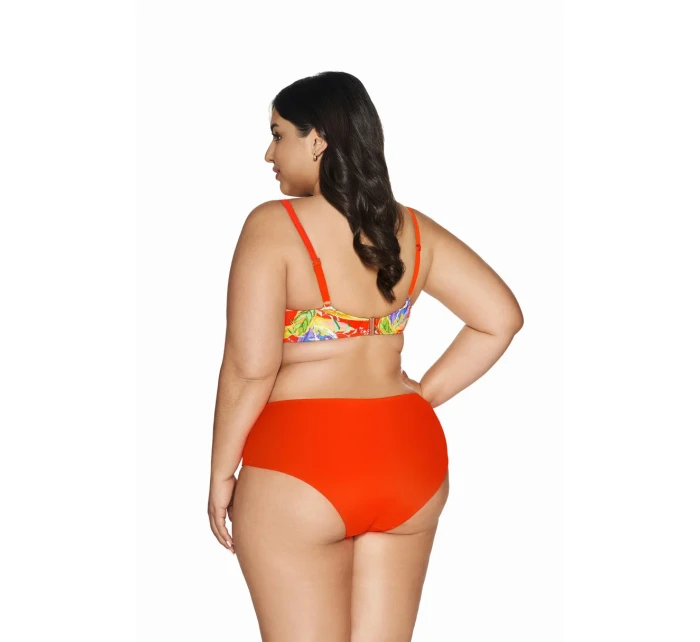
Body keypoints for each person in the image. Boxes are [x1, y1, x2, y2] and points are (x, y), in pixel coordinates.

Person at [208, 71, 523, 641]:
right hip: (408, 459)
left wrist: (220, 472)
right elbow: (500, 318)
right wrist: (423, 395)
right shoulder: (412, 230)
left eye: (277, 135)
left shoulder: (273, 226)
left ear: (318, 140)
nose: (268, 154)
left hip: (301, 462)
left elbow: (250, 370)